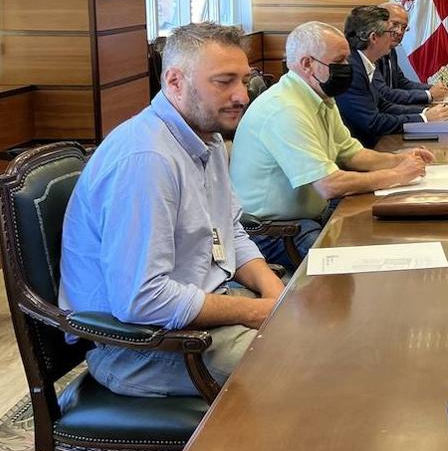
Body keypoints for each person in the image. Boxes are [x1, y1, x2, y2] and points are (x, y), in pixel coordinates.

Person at [59, 22, 287, 397]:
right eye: (223, 81)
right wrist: (254, 313)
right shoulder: (146, 158)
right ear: (175, 82)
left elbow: (229, 232)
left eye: (244, 80)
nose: (242, 96)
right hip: (139, 346)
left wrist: (273, 291)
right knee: (303, 366)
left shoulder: (206, 136)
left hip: (200, 314)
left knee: (317, 332)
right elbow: (142, 300)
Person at [230, 21, 434, 267]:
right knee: (356, 266)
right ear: (307, 64)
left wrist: (400, 158)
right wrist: (396, 175)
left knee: (385, 234)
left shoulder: (319, 96)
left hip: (312, 214)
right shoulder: (284, 109)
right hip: (276, 233)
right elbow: (329, 185)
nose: (347, 69)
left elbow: (351, 153)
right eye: (339, 62)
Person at [336, 6, 448, 148]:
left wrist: (425, 112)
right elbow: (373, 122)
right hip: (362, 150)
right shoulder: (353, 70)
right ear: (373, 38)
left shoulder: (362, 62)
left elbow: (383, 104)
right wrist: (423, 118)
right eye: (390, 31)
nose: (394, 35)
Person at [377, 1, 448, 105]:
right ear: (378, 23)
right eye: (395, 24)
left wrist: (433, 88)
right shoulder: (371, 53)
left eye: (403, 28)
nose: (399, 32)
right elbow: (384, 94)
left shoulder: (391, 50)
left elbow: (402, 83)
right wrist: (429, 94)